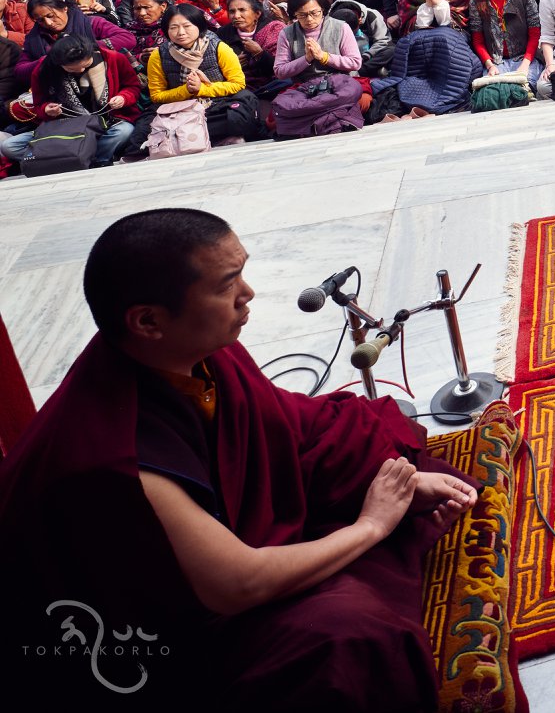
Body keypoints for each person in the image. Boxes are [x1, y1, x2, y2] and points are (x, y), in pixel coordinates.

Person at [0, 208, 476, 711]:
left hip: (216, 547)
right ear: (147, 321)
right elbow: (237, 584)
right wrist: (371, 525)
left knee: (379, 448)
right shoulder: (112, 461)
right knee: (347, 636)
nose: (247, 294)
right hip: (134, 642)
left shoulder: (197, 353)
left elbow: (285, 425)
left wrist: (380, 475)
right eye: (228, 284)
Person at [1, 35, 141, 170]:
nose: (80, 71)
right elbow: (39, 104)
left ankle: (91, 159)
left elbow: (133, 86)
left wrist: (123, 97)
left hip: (107, 121)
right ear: (59, 64)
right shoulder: (44, 69)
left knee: (123, 131)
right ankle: (69, 159)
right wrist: (47, 109)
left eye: (85, 66)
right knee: (9, 146)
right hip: (65, 129)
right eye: (72, 69)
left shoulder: (112, 58)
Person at [146, 3, 264, 145]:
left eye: (187, 26)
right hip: (179, 108)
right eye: (174, 28)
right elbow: (157, 95)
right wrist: (187, 90)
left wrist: (202, 89)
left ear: (199, 26)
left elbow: (238, 84)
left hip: (216, 105)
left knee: (238, 115)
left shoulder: (219, 47)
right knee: (145, 130)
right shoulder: (158, 55)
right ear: (166, 31)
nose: (181, 32)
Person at [270, 0, 365, 138]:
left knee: (361, 98)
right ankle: (328, 117)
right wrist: (306, 59)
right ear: (294, 14)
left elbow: (355, 63)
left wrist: (324, 57)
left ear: (323, 9)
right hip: (306, 89)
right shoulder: (287, 34)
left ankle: (315, 120)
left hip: (340, 84)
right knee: (279, 108)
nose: (309, 19)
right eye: (302, 15)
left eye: (314, 13)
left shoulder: (340, 27)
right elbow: (280, 71)